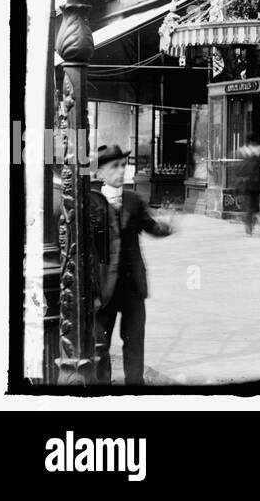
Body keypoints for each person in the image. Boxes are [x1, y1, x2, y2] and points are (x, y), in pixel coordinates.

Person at [89, 145, 175, 386]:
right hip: (103, 289)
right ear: (100, 174)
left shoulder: (133, 200)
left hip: (132, 287)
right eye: (114, 166)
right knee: (100, 346)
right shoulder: (90, 202)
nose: (121, 171)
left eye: (123, 166)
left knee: (135, 342)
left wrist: (166, 226)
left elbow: (151, 227)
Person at [237, 143, 260, 235]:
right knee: (253, 207)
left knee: (249, 206)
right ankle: (249, 222)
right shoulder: (256, 160)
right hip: (253, 187)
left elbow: (239, 173)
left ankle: (248, 222)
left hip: (245, 188)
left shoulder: (244, 161)